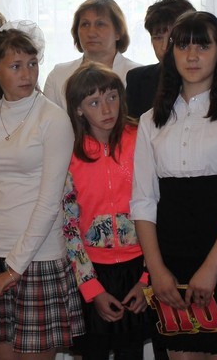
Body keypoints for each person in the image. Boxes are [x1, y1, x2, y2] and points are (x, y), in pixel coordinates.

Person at [131, 10, 217, 359]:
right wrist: (156, 270)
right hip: (169, 260)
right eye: (183, 46)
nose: (192, 56)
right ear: (171, 54)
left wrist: (211, 269)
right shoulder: (150, 121)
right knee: (179, 353)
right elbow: (143, 201)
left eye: (203, 46)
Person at [0, 24, 85, 358]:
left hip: (39, 256)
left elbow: (49, 202)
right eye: (16, 66)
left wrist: (14, 270)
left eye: (32, 63)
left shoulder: (52, 118)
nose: (27, 74)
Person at [62, 63, 150, 360]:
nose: (107, 108)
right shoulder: (69, 152)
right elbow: (69, 226)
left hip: (139, 266)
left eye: (112, 97)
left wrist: (147, 279)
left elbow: (157, 209)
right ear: (78, 109)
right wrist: (91, 288)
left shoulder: (140, 138)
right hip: (91, 271)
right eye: (94, 102)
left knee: (131, 353)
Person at [44, 0, 140, 110]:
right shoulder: (58, 75)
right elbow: (49, 120)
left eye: (100, 24)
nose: (91, 33)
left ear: (118, 32)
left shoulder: (138, 76)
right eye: (85, 24)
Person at [125, 0, 196, 119]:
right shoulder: (137, 80)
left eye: (173, 37)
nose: (165, 47)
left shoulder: (210, 79)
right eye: (157, 38)